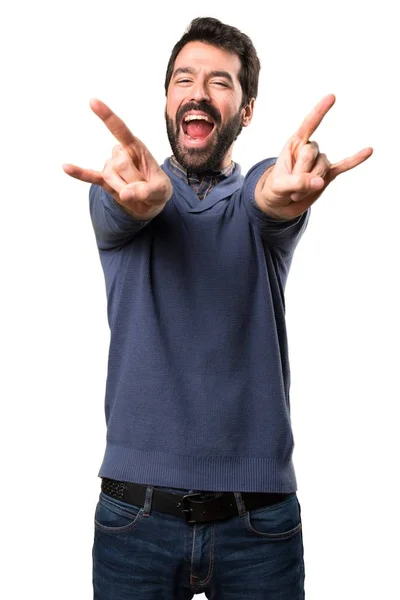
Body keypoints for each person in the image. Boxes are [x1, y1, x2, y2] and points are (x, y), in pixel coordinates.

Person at [63, 16, 372, 600]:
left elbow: (268, 198)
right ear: (167, 100)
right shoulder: (125, 190)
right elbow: (122, 211)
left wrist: (285, 194)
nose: (198, 91)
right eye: (184, 79)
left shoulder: (260, 197)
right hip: (135, 516)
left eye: (220, 82)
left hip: (259, 522)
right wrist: (138, 203)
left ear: (246, 111)